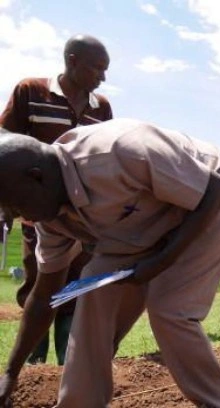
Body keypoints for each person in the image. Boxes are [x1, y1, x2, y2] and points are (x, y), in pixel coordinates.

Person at [0, 119, 220, 407]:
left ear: (36, 177)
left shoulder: (120, 151)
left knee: (169, 307)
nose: (13, 215)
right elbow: (45, 296)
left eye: (12, 203)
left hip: (217, 194)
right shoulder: (52, 221)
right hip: (147, 220)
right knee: (93, 290)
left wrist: (161, 261)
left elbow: (213, 191)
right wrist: (10, 373)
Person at [0, 34, 112, 366]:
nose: (102, 78)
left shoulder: (101, 107)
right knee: (39, 281)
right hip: (37, 212)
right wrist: (7, 204)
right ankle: (35, 366)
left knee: (78, 285)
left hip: (82, 215)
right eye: (96, 69)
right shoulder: (31, 92)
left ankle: (66, 365)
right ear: (72, 61)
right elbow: (4, 143)